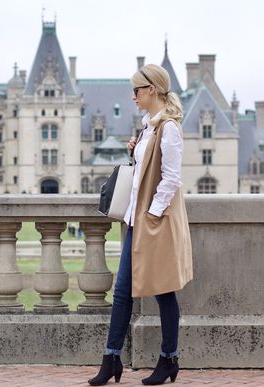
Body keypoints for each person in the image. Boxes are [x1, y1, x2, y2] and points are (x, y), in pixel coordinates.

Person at [88, 63, 193, 386]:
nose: (132, 96)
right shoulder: (149, 127)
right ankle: (112, 359)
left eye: (136, 90)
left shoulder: (169, 128)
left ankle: (169, 359)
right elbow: (147, 173)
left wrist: (152, 214)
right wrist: (136, 153)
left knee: (163, 292)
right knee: (122, 293)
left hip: (153, 224)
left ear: (151, 90)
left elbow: (172, 179)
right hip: (138, 221)